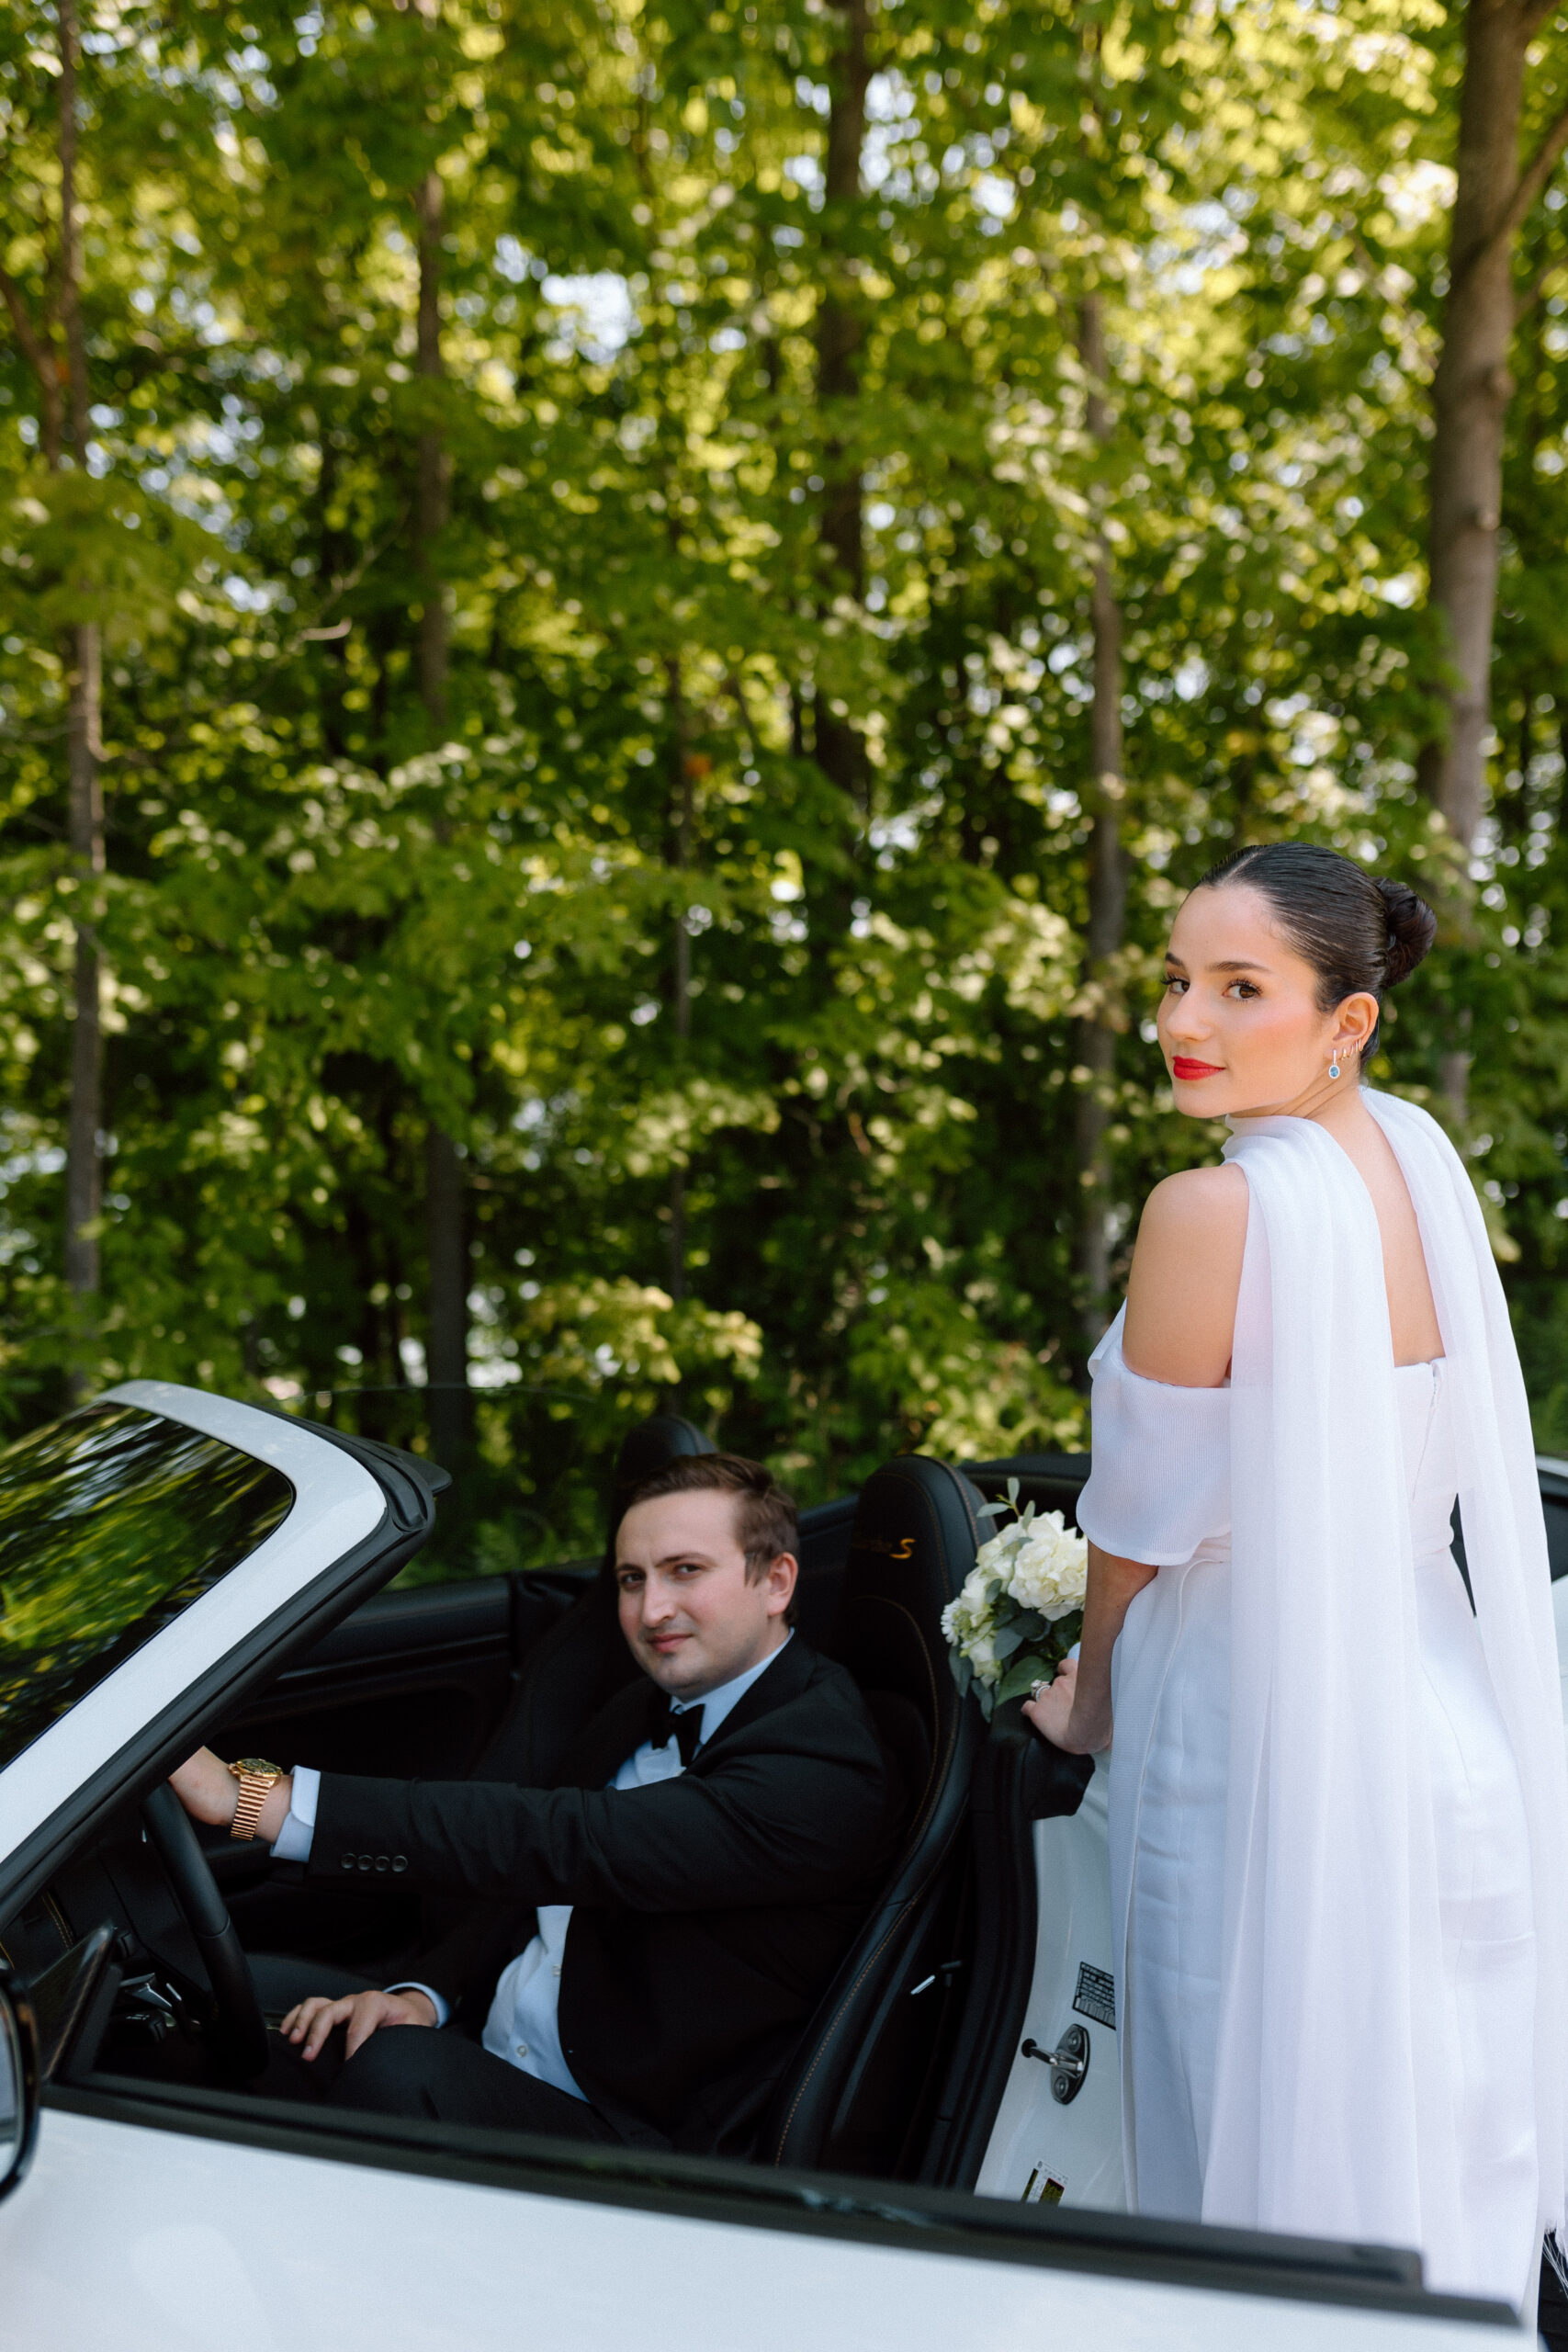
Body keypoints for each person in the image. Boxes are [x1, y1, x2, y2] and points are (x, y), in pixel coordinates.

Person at [1025, 842, 1568, 2311]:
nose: (1182, 1022)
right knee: (1446, 2159)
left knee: (1246, 2165)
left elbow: (1134, 1529)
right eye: (1171, 981)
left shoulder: (1208, 1211)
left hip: (1254, 1734)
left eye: (1237, 987)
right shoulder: (1419, 1163)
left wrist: (1088, 1704)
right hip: (1444, 1728)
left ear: (1347, 1018)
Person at [170, 1453, 902, 2155]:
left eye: (685, 1572)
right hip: (496, 2033)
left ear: (775, 1582)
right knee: (218, 1998)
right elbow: (527, 1887)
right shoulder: (646, 1702)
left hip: (629, 2125)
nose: (651, 1610)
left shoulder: (823, 1762)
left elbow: (554, 1841)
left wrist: (255, 1799)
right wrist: (428, 1996)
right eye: (629, 1578)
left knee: (396, 2076)